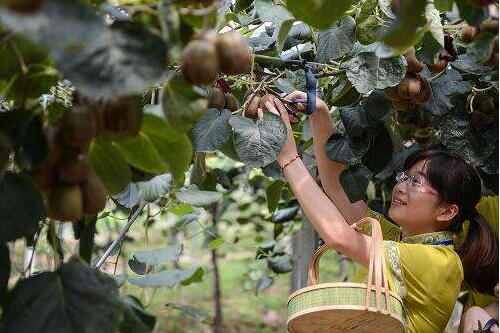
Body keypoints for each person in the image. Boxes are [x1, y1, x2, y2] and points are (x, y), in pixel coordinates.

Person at [261, 91, 498, 333]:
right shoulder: (399, 239)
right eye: (404, 177)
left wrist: (289, 158)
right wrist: (319, 115)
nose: (402, 186)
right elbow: (337, 187)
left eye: (416, 182)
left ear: (447, 211)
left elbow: (339, 236)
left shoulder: (438, 262)